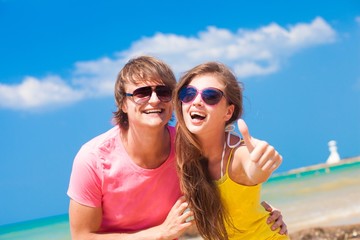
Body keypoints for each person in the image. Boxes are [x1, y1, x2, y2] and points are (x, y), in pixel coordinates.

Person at [67, 56, 287, 239]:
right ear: (123, 104)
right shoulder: (93, 159)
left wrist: (260, 211)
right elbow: (81, 236)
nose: (154, 100)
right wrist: (159, 233)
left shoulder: (188, 146)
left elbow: (235, 175)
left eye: (163, 92)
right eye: (142, 93)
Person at [174, 61, 289, 240]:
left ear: (228, 112)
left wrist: (262, 164)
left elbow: (252, 170)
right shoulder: (181, 150)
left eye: (210, 96)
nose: (196, 101)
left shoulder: (238, 155)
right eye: (188, 94)